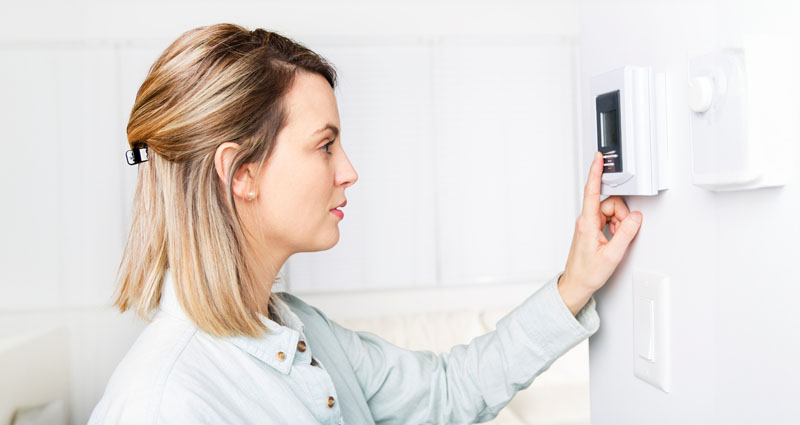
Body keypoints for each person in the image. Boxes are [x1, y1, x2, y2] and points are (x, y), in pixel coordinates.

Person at [89, 23, 642, 425]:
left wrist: (575, 284)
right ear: (241, 173)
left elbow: (447, 392)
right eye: (325, 145)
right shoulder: (162, 403)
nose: (349, 172)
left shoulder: (299, 332)